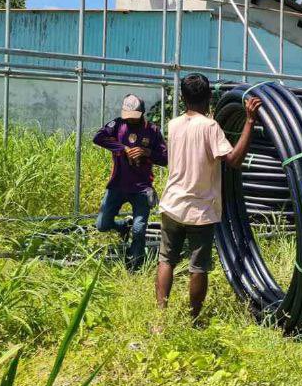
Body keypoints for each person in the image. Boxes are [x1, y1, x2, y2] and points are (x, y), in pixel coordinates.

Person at [156, 73, 261, 321]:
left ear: (182, 98)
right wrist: (249, 122)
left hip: (172, 205)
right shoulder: (211, 127)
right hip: (199, 212)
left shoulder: (173, 125)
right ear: (208, 98)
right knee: (198, 267)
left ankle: (160, 318)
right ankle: (193, 319)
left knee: (166, 261)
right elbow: (234, 160)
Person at [93, 94, 167, 269]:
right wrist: (123, 148)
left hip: (142, 188)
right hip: (117, 185)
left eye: (134, 118)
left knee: (139, 230)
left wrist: (146, 152)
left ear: (142, 113)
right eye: (128, 117)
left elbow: (165, 158)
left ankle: (135, 265)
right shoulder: (117, 124)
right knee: (102, 224)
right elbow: (98, 138)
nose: (130, 121)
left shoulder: (153, 131)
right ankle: (122, 228)